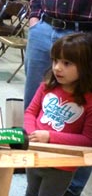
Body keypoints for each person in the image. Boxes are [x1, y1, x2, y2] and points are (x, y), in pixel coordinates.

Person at [22, 0, 92, 195]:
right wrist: (35, 15)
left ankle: (69, 188)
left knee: (83, 112)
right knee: (39, 103)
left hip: (86, 38)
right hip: (46, 28)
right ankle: (33, 166)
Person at [24, 33, 92, 196]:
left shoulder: (89, 101)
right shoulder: (46, 86)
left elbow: (88, 140)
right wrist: (31, 135)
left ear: (86, 66)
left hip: (61, 165)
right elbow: (30, 112)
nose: (57, 68)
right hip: (35, 155)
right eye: (55, 60)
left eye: (66, 63)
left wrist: (49, 136)